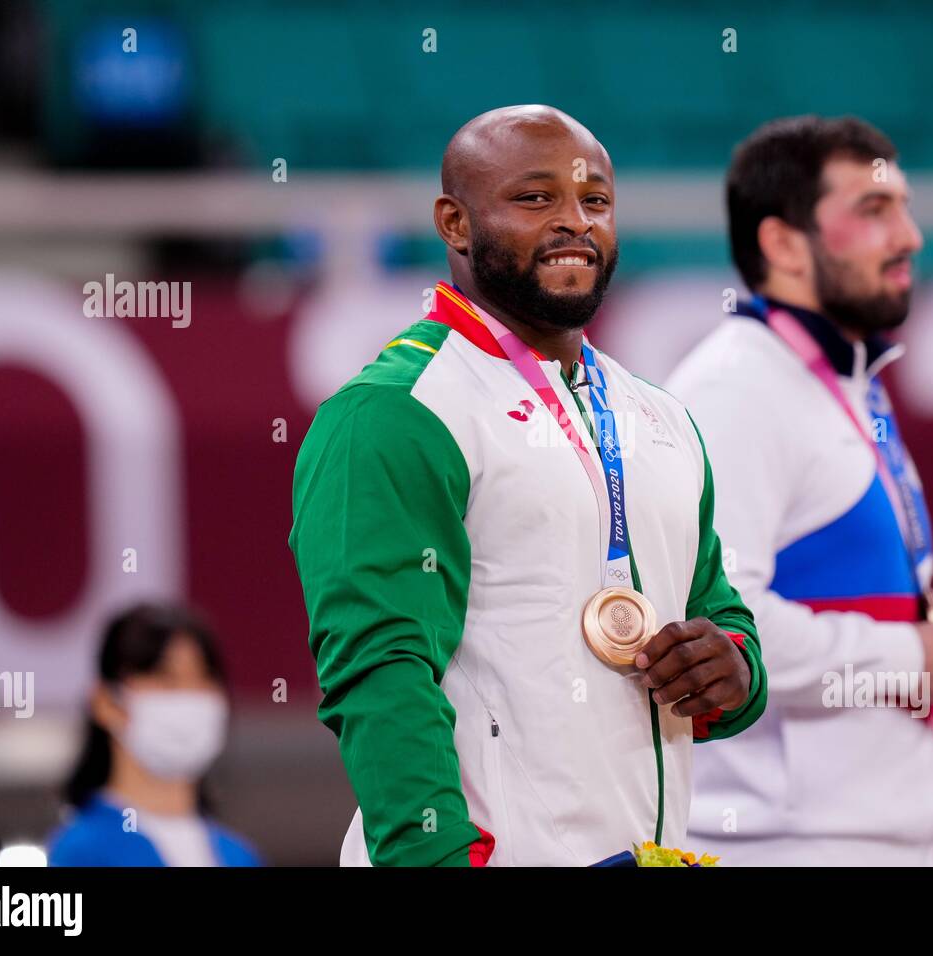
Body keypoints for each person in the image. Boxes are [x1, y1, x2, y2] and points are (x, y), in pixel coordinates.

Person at [289, 105, 767, 867]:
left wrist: (732, 669)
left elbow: (718, 608)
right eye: (536, 198)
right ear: (454, 222)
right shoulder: (396, 410)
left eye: (595, 200)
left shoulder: (661, 416)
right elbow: (380, 670)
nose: (576, 221)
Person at [667, 115, 933, 866]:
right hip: (783, 844)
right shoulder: (734, 389)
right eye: (874, 210)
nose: (910, 237)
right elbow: (712, 629)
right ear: (783, 244)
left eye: (904, 207)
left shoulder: (849, 380)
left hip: (892, 832)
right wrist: (909, 656)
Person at [47, 602, 261, 867]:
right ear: (107, 703)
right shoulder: (82, 851)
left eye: (204, 679)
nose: (189, 697)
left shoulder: (240, 856)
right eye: (166, 679)